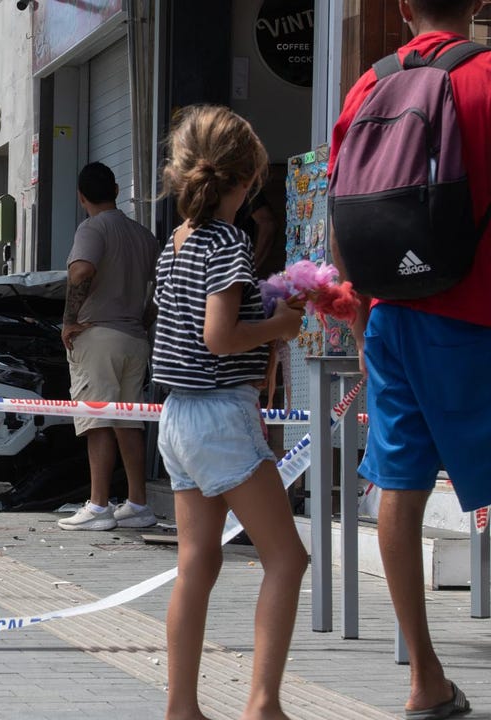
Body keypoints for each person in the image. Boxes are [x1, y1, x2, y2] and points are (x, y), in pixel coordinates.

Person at [330, 2, 491, 717]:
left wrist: (367, 314)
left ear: (401, 7)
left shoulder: (367, 86)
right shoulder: (487, 77)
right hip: (478, 311)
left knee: (401, 484)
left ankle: (425, 678)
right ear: (479, 4)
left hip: (392, 314)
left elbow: (342, 212)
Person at [153, 106, 307, 720]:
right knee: (288, 559)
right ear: (245, 181)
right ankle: (263, 705)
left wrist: (260, 341)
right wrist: (279, 325)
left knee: (198, 562)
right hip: (218, 416)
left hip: (178, 418)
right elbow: (218, 336)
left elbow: (188, 332)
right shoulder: (230, 242)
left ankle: (181, 708)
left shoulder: (178, 241)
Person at [57, 162, 159, 531]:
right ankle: (138, 504)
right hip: (134, 339)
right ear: (116, 191)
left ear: (81, 197)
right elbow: (163, 287)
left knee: (97, 420)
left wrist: (69, 320)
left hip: (98, 336)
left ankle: (99, 506)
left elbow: (81, 270)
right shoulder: (143, 235)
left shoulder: (91, 228)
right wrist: (142, 319)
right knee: (127, 423)